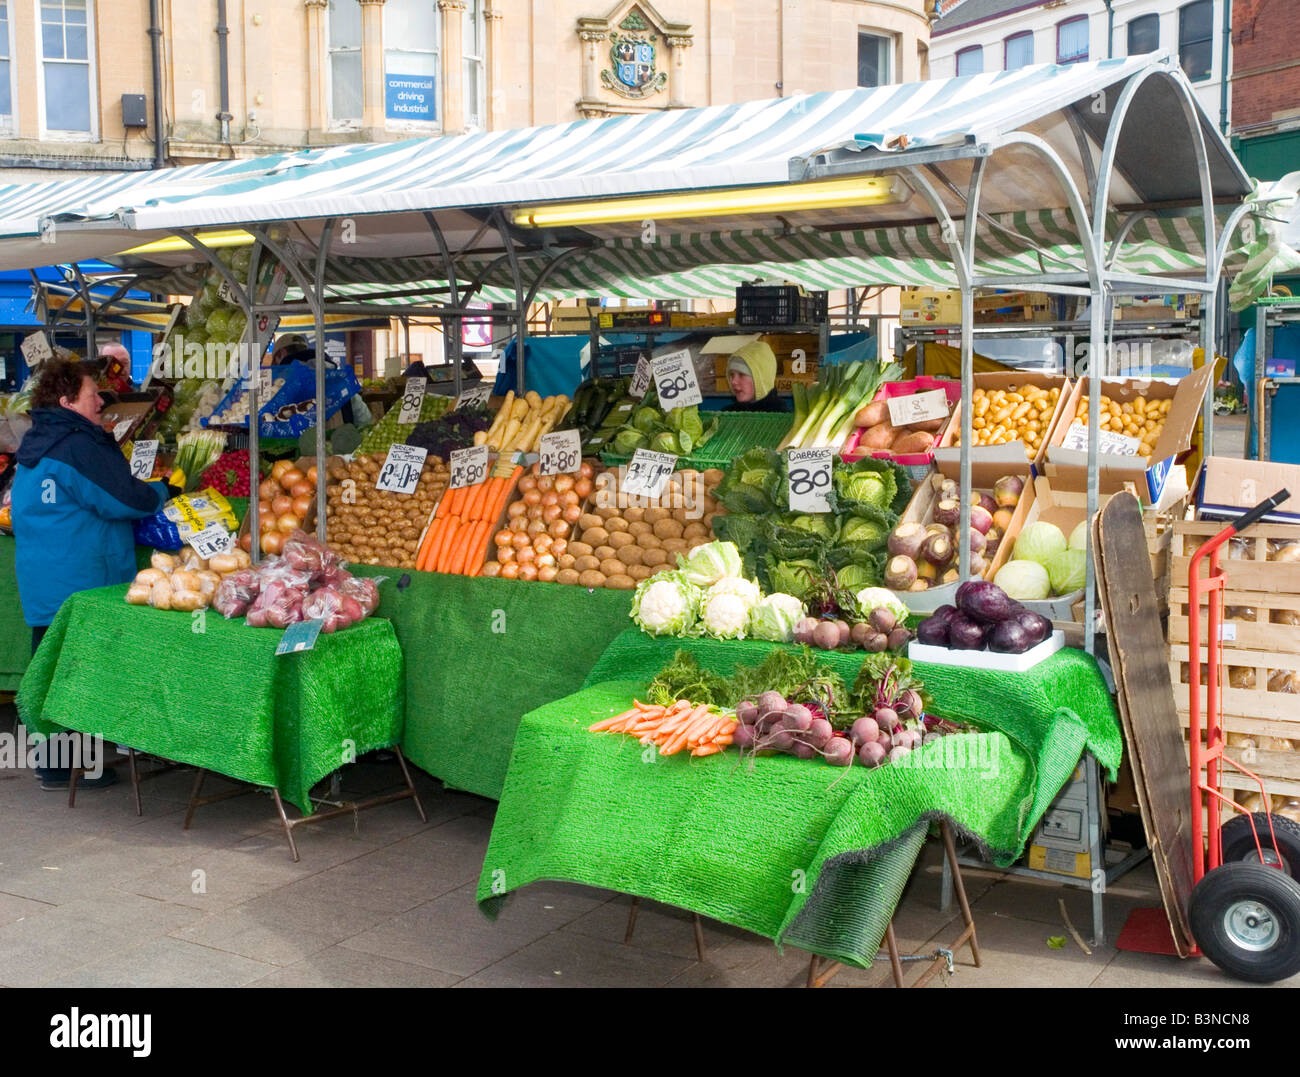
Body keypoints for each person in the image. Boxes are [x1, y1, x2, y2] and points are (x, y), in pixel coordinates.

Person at [10, 359, 174, 791]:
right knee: (73, 672)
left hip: (47, 579)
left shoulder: (40, 440)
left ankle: (55, 765)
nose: (101, 401)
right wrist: (162, 490)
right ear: (67, 402)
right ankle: (64, 769)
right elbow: (122, 500)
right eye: (91, 395)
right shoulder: (76, 445)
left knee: (51, 670)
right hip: (77, 582)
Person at [725, 341, 789, 412]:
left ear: (761, 379)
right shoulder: (726, 416)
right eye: (732, 375)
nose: (733, 382)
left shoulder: (781, 417)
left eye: (741, 375)